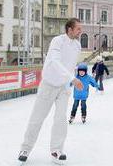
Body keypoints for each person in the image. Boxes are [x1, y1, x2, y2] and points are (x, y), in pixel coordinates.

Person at [18, 18, 84, 164]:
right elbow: (55, 61)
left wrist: (70, 81)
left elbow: (71, 64)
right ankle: (25, 149)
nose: (81, 31)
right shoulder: (57, 41)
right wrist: (72, 78)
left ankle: (56, 150)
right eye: (78, 28)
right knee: (37, 118)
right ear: (69, 29)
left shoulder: (77, 45)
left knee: (61, 119)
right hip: (49, 84)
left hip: (64, 86)